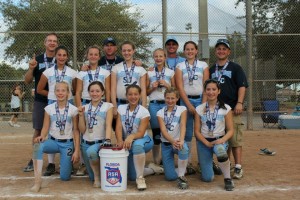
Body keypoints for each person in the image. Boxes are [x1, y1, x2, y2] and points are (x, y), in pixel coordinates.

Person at [30, 81, 80, 192]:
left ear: (68, 93)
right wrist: (42, 136)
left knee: (65, 177)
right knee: (37, 146)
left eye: (63, 90)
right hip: (53, 142)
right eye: (58, 90)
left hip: (67, 144)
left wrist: (76, 150)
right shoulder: (49, 108)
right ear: (54, 92)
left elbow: (76, 130)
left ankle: (65, 165)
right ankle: (37, 182)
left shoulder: (73, 109)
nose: (60, 93)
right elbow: (45, 127)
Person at [210, 39, 248, 180]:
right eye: (219, 48)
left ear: (228, 52)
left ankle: (238, 167)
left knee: (235, 139)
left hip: (232, 110)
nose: (221, 51)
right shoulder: (211, 69)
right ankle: (227, 163)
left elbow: (242, 86)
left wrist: (239, 103)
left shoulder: (235, 68)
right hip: (217, 110)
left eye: (224, 49)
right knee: (221, 138)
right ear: (215, 51)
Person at [37, 45, 77, 176]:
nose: (61, 57)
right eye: (59, 55)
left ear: (67, 57)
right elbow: (39, 89)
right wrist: (53, 94)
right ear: (55, 56)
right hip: (52, 102)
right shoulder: (47, 71)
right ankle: (51, 163)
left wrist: (65, 96)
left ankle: (68, 161)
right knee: (50, 131)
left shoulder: (72, 72)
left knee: (68, 129)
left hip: (68, 102)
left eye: (64, 55)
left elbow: (75, 90)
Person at [23, 33, 58, 172]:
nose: (52, 43)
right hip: (41, 100)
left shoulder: (61, 59)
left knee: (55, 131)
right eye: (49, 40)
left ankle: (52, 163)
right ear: (45, 43)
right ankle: (34, 159)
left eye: (54, 41)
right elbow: (27, 80)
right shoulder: (37, 60)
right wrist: (31, 69)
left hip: (57, 101)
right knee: (38, 130)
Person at [175, 41, 209, 174]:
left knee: (202, 132)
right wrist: (188, 104)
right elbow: (179, 87)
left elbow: (206, 85)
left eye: (192, 49)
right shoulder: (180, 66)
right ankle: (188, 162)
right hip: (186, 100)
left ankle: (203, 162)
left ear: (196, 51)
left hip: (201, 99)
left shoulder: (203, 65)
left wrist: (203, 105)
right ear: (184, 52)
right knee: (187, 133)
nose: (190, 51)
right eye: (187, 49)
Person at [194, 79, 234, 191]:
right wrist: (206, 142)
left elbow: (230, 130)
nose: (211, 92)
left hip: (218, 140)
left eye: (214, 89)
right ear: (205, 91)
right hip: (204, 142)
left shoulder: (225, 108)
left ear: (219, 91)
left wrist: (222, 140)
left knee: (221, 151)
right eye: (208, 89)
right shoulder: (199, 109)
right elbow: (196, 131)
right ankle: (211, 164)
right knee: (207, 178)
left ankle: (227, 179)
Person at [115, 84, 156, 191]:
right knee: (131, 176)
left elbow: (141, 133)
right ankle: (151, 169)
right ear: (126, 96)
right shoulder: (121, 108)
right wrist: (119, 140)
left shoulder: (144, 111)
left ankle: (140, 178)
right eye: (130, 94)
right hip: (129, 142)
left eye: (136, 94)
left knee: (137, 146)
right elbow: (118, 127)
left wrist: (131, 136)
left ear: (140, 95)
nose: (133, 97)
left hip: (143, 140)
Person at [78, 81, 113, 188]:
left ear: (102, 92)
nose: (95, 93)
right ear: (88, 93)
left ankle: (97, 179)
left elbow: (108, 124)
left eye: (97, 91)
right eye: (92, 91)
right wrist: (80, 115)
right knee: (91, 176)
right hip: (85, 143)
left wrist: (107, 139)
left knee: (91, 152)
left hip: (100, 143)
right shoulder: (85, 108)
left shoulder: (108, 106)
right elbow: (82, 130)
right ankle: (96, 177)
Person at [147, 48, 175, 168]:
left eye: (161, 56)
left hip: (166, 103)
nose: (158, 58)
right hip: (154, 104)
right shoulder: (149, 73)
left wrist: (167, 85)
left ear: (165, 58)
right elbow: (146, 92)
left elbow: (175, 91)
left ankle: (167, 159)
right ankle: (156, 160)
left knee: (168, 131)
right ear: (153, 58)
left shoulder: (170, 72)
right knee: (156, 133)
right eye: (156, 56)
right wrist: (153, 87)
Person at [157, 87, 189, 189]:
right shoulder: (160, 112)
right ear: (164, 98)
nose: (170, 101)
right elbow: (163, 130)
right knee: (170, 177)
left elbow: (183, 124)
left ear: (177, 98)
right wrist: (172, 141)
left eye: (172, 98)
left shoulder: (182, 109)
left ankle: (181, 176)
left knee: (183, 148)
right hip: (166, 144)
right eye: (167, 98)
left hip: (178, 141)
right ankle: (182, 169)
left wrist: (182, 140)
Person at [111, 41, 147, 119]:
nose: (126, 53)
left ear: (134, 51)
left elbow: (143, 89)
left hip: (136, 104)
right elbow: (113, 89)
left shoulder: (140, 69)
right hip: (120, 103)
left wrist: (144, 106)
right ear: (121, 52)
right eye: (124, 50)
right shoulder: (116, 68)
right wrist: (114, 106)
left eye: (129, 50)